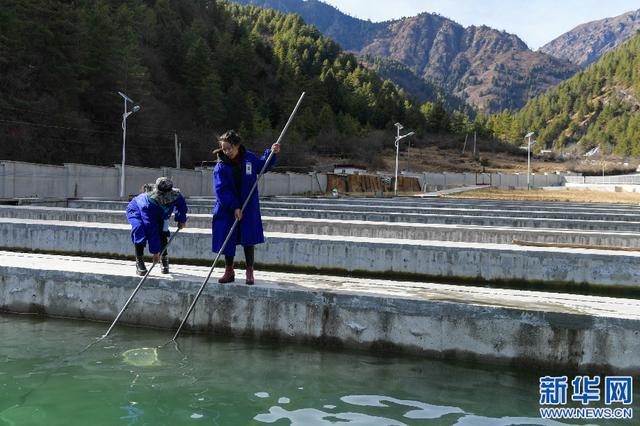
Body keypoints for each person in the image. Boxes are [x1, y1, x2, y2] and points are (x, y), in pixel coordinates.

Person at [212, 130, 279, 285]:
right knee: (228, 240)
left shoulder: (249, 158)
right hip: (227, 209)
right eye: (224, 149)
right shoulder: (220, 167)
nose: (227, 152)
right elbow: (222, 189)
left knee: (248, 239)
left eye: (229, 148)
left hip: (248, 206)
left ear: (237, 145)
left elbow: (263, 166)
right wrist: (234, 207)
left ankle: (250, 271)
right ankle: (229, 271)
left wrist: (272, 153)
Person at [126, 177, 188, 275]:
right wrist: (155, 252)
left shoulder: (175, 195)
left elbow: (182, 206)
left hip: (160, 213)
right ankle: (139, 261)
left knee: (163, 231)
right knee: (139, 229)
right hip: (137, 210)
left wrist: (181, 219)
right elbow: (152, 229)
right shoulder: (148, 203)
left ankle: (164, 258)